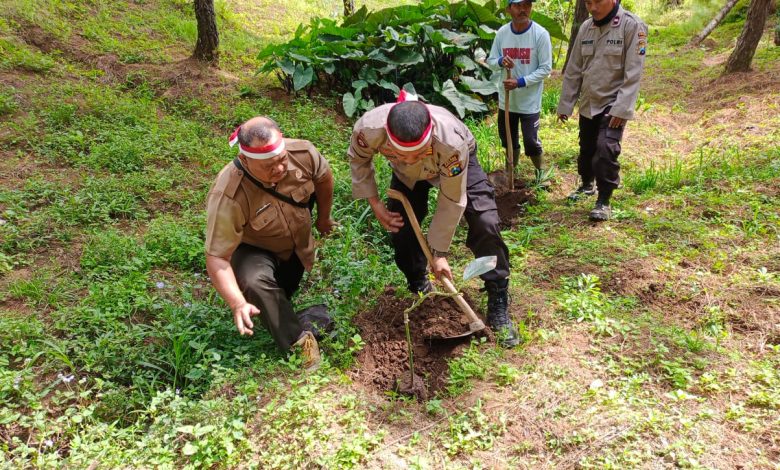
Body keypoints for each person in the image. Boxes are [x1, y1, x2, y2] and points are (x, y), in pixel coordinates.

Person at [348, 92, 520, 348]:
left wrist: (438, 252)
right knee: (402, 229)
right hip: (407, 177)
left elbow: (451, 198)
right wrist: (376, 204)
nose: (410, 158)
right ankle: (419, 283)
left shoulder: (451, 143)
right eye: (401, 153)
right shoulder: (369, 129)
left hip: (455, 163)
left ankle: (497, 293)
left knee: (485, 221)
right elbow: (359, 160)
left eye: (417, 152)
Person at [205, 116, 336, 370]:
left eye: (281, 160)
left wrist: (323, 218)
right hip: (254, 248)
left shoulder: (303, 153)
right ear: (245, 160)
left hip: (295, 247)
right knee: (257, 283)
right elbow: (217, 257)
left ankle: (282, 308)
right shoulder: (228, 194)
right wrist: (238, 303)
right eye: (268, 165)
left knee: (280, 297)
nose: (279, 169)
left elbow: (324, 177)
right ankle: (301, 347)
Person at [557, 0, 647, 221]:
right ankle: (587, 184)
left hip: (614, 101)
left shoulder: (632, 26)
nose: (593, 7)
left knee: (606, 148)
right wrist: (566, 104)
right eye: (588, 2)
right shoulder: (586, 27)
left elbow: (633, 73)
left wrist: (622, 108)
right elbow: (574, 69)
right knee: (586, 147)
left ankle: (604, 200)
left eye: (598, 1)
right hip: (589, 101)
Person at [488, 0, 553, 180]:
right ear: (509, 9)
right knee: (508, 139)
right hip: (507, 101)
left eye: (527, 5)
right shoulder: (502, 33)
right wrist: (501, 61)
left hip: (529, 101)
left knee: (531, 142)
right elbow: (491, 61)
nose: (523, 9)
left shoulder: (540, 34)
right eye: (518, 5)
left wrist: (520, 82)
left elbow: (546, 68)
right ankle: (510, 172)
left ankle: (541, 173)